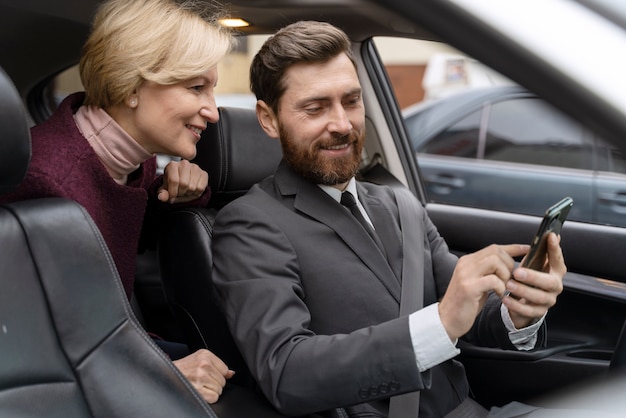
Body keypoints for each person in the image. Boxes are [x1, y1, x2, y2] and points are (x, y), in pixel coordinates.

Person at [210, 21, 567, 417]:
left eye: (351, 101)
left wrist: (517, 313)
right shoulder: (249, 224)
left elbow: (468, 309)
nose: (342, 124)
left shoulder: (399, 205)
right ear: (268, 118)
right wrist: (442, 322)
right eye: (315, 108)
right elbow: (287, 373)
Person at [0, 0, 236, 404]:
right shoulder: (45, 181)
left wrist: (178, 195)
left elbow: (117, 233)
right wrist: (158, 374)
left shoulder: (130, 161)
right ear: (130, 87)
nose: (213, 112)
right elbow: (28, 346)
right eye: (196, 87)